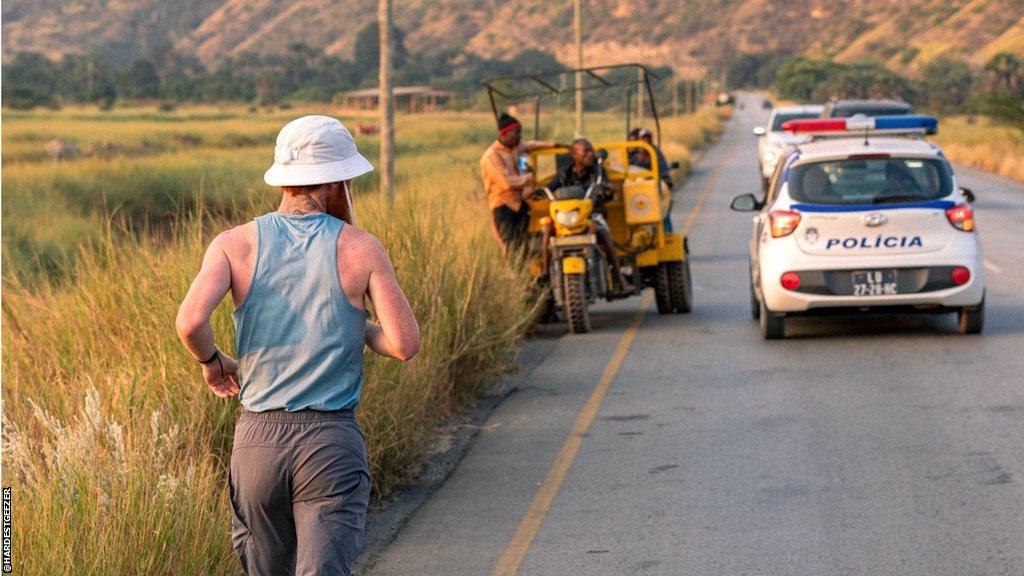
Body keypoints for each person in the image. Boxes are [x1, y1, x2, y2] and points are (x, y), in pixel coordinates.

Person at [175, 115, 420, 576]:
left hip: (255, 443)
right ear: (335, 181)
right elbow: (405, 344)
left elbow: (190, 321)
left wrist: (212, 361)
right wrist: (359, 327)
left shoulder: (233, 244)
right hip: (329, 443)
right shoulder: (362, 247)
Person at [544, 138, 633, 294]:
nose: (590, 154)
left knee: (604, 233)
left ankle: (619, 277)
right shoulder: (564, 173)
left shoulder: (598, 172)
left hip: (592, 214)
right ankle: (544, 276)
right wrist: (537, 191)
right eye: (586, 151)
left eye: (591, 150)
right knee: (546, 230)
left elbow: (604, 187)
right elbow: (550, 187)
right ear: (574, 155)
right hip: (566, 217)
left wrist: (608, 191)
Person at [479, 112, 561, 257]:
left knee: (523, 242)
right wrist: (528, 178)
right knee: (510, 244)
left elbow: (533, 145)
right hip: (503, 205)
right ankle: (512, 275)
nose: (519, 137)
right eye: (515, 134)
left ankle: (528, 274)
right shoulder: (492, 156)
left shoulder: (514, 146)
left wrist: (559, 145)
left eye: (519, 133)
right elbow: (506, 183)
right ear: (503, 134)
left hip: (520, 203)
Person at [629, 127, 675, 232]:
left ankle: (667, 233)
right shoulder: (630, 155)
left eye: (648, 138)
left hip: (653, 191)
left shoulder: (655, 153)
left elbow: (663, 169)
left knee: (663, 212)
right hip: (635, 193)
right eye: (643, 138)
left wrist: (666, 179)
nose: (646, 140)